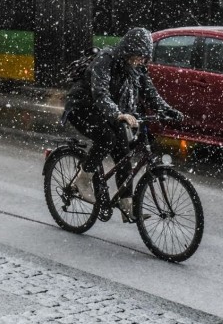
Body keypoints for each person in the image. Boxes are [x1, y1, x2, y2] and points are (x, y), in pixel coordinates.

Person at [63, 27, 183, 222]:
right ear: (128, 51)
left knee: (124, 152)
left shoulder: (135, 68)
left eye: (144, 58)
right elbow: (100, 94)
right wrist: (119, 114)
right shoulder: (106, 60)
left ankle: (126, 203)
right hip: (82, 108)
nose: (140, 61)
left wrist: (167, 110)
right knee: (106, 138)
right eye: (137, 56)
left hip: (108, 112)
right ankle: (83, 180)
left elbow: (149, 92)